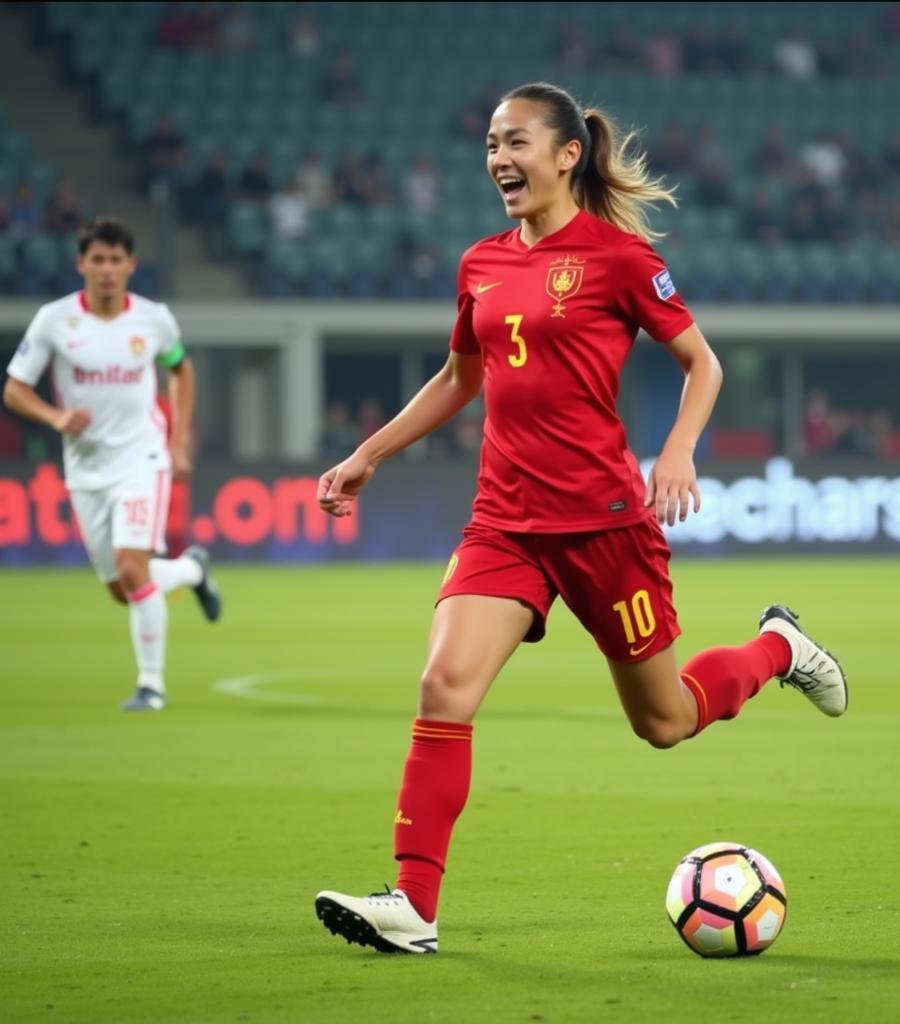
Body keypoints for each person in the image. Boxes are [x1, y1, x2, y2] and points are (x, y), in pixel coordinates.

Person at [313, 82, 847, 955]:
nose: (499, 158)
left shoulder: (620, 258)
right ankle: (414, 906)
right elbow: (459, 378)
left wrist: (677, 452)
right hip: (505, 523)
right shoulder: (480, 262)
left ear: (567, 155)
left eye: (516, 141)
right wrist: (369, 452)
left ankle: (779, 648)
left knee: (664, 722)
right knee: (443, 687)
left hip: (604, 527)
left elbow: (701, 364)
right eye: (490, 142)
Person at [2, 217, 221, 711]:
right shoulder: (54, 321)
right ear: (81, 264)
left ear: (130, 266)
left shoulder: (153, 319)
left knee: (130, 567)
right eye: (97, 260)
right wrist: (55, 416)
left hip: (143, 457)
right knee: (123, 588)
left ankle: (151, 686)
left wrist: (179, 438)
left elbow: (181, 368)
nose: (106, 270)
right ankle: (191, 570)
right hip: (85, 470)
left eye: (115, 260)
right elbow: (15, 388)